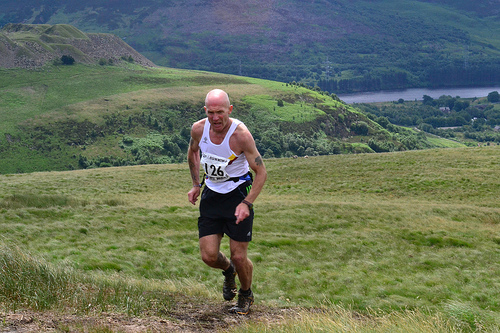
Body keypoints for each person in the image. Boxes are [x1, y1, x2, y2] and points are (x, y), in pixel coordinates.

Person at [187, 89, 267, 315]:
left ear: (229, 110)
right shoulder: (198, 129)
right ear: (205, 111)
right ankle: (228, 271)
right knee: (208, 256)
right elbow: (193, 153)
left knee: (239, 255)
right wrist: (195, 185)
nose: (215, 118)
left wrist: (247, 203)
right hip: (211, 195)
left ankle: (245, 294)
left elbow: (261, 173)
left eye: (220, 112)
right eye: (211, 112)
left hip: (237, 195)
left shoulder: (240, 135)